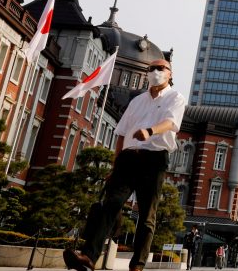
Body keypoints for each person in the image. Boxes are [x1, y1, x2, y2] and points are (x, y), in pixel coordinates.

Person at [64, 58, 187, 271]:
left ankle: (137, 265)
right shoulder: (136, 101)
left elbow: (171, 123)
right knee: (110, 204)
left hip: (154, 158)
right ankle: (88, 257)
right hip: (128, 158)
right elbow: (121, 133)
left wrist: (149, 131)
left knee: (147, 214)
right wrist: (115, 164)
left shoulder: (175, 97)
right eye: (151, 69)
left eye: (161, 68)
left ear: (170, 74)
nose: (155, 72)